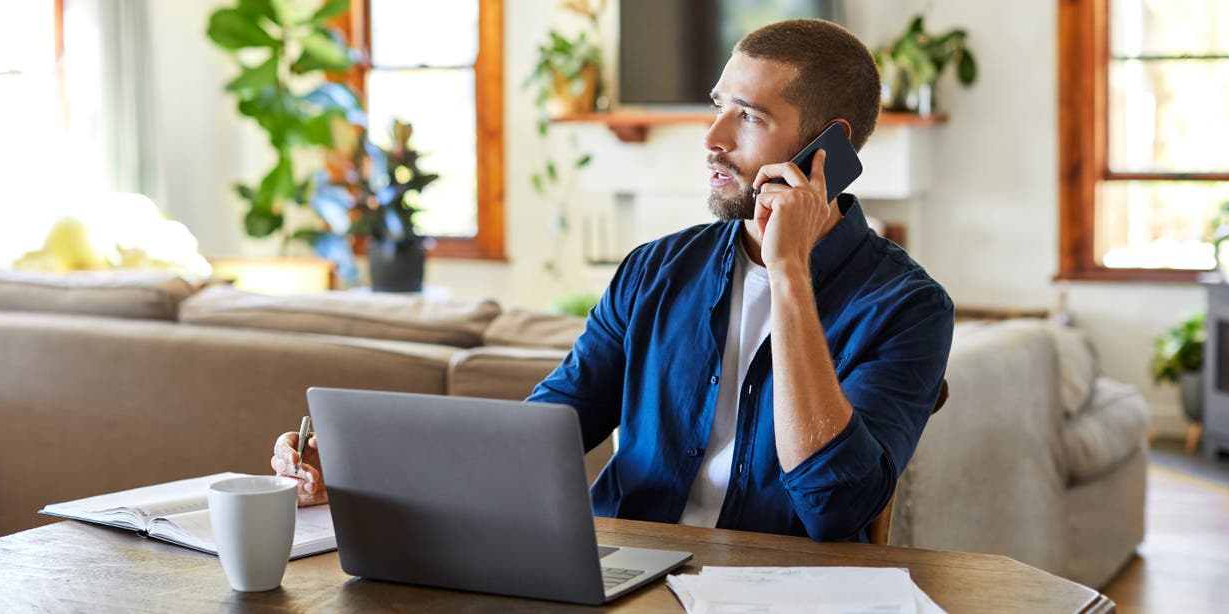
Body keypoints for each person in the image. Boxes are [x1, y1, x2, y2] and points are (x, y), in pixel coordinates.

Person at [271, 18, 953, 543]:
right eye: (718, 105)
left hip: (776, 591)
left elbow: (836, 505)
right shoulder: (654, 270)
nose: (712, 137)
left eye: (747, 116)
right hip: (625, 577)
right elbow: (543, 435)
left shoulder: (908, 307)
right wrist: (363, 474)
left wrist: (790, 275)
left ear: (825, 149)